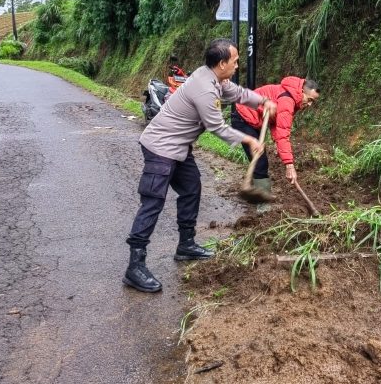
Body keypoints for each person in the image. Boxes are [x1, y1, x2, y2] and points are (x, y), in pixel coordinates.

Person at [123, 38, 277, 293]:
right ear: (221, 63)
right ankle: (134, 266)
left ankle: (186, 245)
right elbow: (216, 126)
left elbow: (237, 93)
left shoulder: (214, 79)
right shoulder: (204, 88)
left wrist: (261, 101)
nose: (238, 65)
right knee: (153, 202)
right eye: (235, 61)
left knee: (191, 188)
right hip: (161, 147)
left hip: (180, 148)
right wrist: (248, 139)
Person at [232, 77, 320, 202]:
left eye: (313, 102)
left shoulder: (290, 95)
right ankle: (262, 203)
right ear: (301, 92)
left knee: (259, 160)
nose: (310, 104)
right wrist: (289, 166)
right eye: (309, 99)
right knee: (260, 161)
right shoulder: (287, 100)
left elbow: (277, 125)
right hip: (243, 118)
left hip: (252, 120)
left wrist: (278, 143)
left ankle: (254, 191)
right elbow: (283, 134)